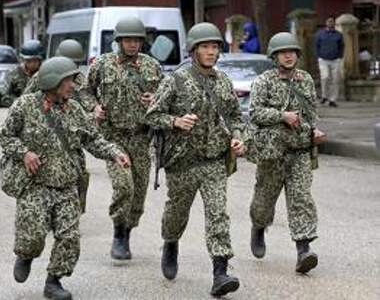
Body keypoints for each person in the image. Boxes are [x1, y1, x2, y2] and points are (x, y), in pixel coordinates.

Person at [0, 56, 130, 300]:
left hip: (68, 185)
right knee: (33, 237)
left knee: (69, 237)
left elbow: (92, 140)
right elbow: (5, 136)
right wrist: (24, 153)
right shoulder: (24, 106)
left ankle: (54, 281)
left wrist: (115, 153)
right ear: (53, 82)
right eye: (69, 80)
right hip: (35, 185)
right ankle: (26, 255)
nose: (73, 85)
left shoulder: (75, 110)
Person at [145, 22, 244, 297]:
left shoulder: (222, 80)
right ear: (193, 51)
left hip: (213, 161)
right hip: (182, 162)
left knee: (218, 214)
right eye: (205, 47)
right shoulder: (175, 79)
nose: (211, 52)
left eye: (214, 47)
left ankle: (220, 272)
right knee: (177, 213)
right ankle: (170, 243)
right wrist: (175, 121)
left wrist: (238, 136)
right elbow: (151, 116)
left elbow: (235, 116)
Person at [86, 16, 163, 260]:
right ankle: (118, 232)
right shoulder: (103, 65)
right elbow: (84, 89)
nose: (132, 44)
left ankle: (128, 231)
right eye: (128, 40)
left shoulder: (152, 66)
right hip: (113, 138)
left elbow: (166, 95)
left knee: (138, 193)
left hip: (141, 138)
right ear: (119, 41)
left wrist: (155, 100)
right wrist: (93, 107)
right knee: (124, 185)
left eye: (137, 40)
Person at [247, 32, 324, 274]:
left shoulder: (305, 80)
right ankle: (258, 227)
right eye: (283, 52)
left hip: (300, 151)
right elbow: (255, 113)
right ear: (275, 56)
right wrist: (282, 116)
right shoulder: (264, 81)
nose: (288, 56)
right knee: (264, 200)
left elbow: (311, 112)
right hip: (272, 153)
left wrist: (314, 129)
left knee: (301, 198)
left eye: (292, 52)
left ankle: (304, 250)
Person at [24, 39, 97, 214]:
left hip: (71, 129)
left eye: (76, 64)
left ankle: (73, 211)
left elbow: (87, 101)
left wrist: (94, 111)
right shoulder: (41, 76)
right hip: (45, 129)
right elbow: (26, 101)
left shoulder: (80, 79)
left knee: (79, 171)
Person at [1, 40, 43, 107]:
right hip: (19, 111)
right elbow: (5, 97)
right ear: (23, 60)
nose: (32, 64)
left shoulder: (45, 72)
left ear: (40, 60)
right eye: (28, 61)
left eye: (35, 60)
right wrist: (21, 103)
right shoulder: (13, 73)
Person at [314, 16, 344, 107]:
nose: (330, 23)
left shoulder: (338, 34)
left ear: (334, 23)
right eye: (329, 21)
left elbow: (342, 46)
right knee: (325, 77)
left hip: (335, 59)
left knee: (335, 79)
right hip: (323, 59)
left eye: (332, 21)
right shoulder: (320, 34)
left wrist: (339, 56)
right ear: (326, 22)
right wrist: (318, 56)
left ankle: (332, 99)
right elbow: (316, 45)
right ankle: (324, 96)